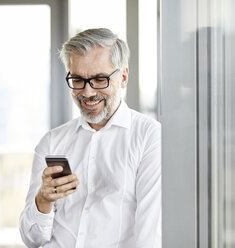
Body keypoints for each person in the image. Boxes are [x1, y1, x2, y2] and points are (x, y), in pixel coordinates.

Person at [19, 28, 161, 248]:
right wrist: (43, 201)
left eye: (99, 79)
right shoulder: (51, 142)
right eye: (77, 79)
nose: (87, 92)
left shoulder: (148, 136)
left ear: (123, 77)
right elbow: (32, 239)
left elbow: (149, 235)